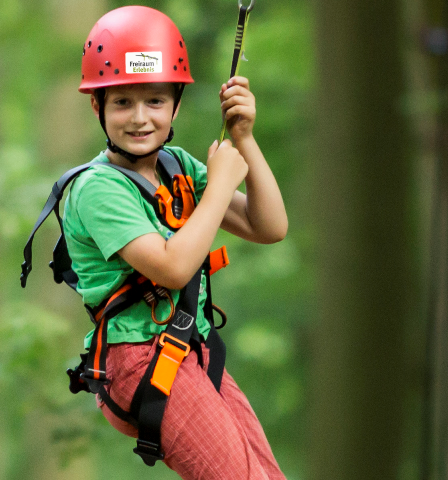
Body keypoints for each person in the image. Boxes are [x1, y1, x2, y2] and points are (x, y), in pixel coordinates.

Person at [63, 6, 288, 479]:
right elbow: (171, 267)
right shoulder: (97, 189)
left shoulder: (178, 166)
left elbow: (269, 226)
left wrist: (245, 141)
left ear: (176, 105)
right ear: (97, 107)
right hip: (139, 356)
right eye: (122, 102)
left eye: (155, 102)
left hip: (190, 347)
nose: (140, 118)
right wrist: (223, 184)